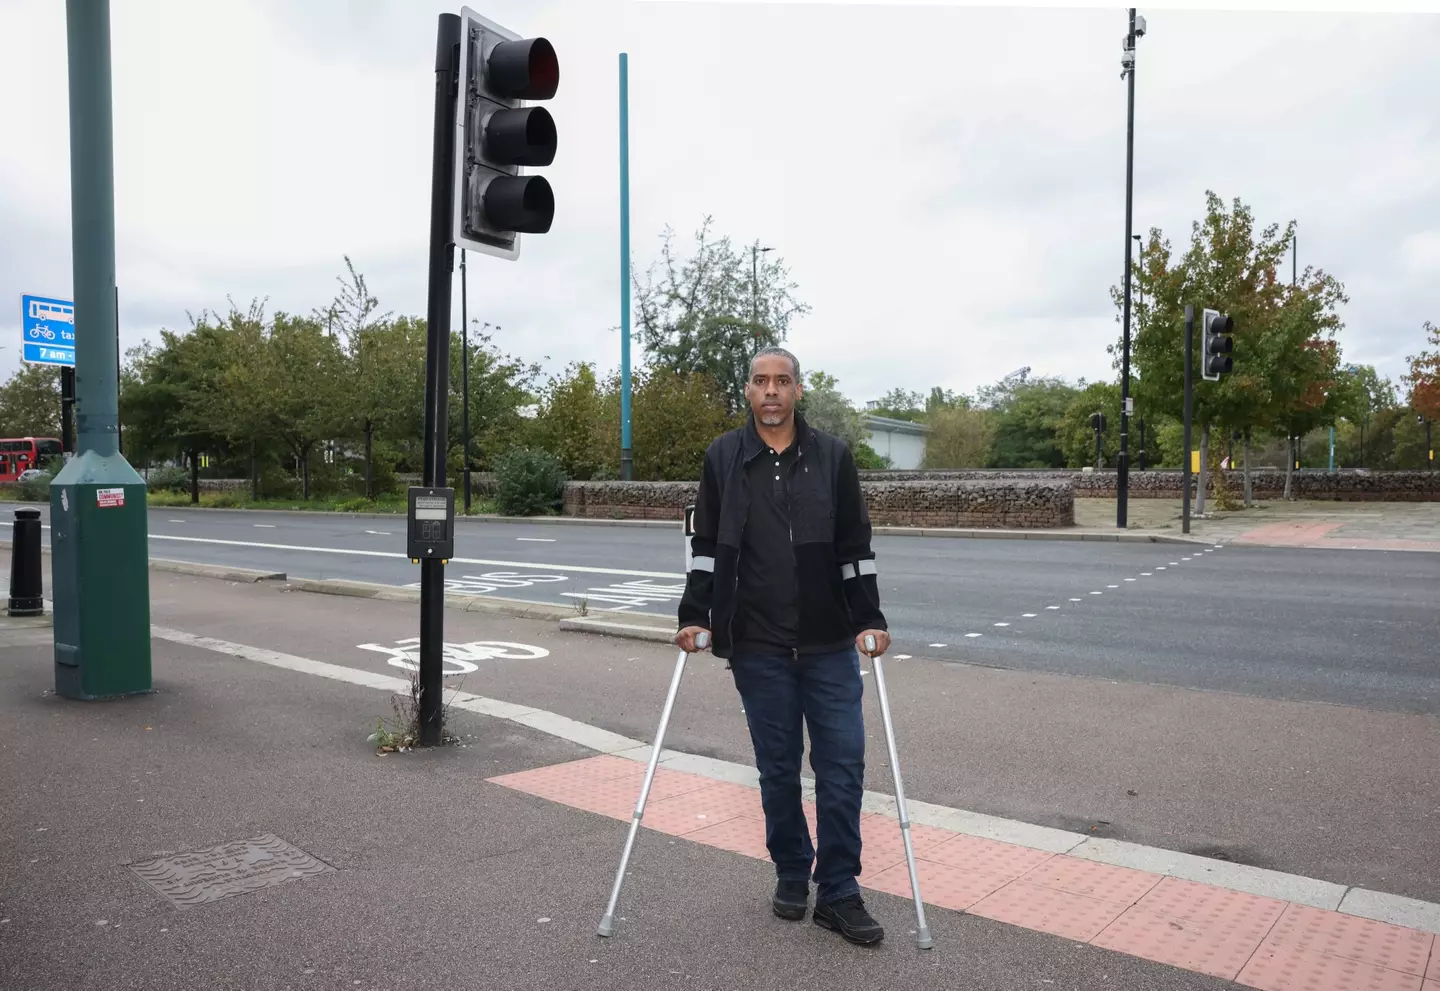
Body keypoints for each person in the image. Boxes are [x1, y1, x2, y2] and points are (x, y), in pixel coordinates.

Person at [676, 346, 891, 946]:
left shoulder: (833, 458)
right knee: (777, 770)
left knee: (842, 767)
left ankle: (840, 890)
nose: (771, 391)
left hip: (827, 644)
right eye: (761, 381)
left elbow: (855, 546)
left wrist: (868, 617)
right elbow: (708, 545)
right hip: (757, 645)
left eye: (783, 381)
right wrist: (696, 615)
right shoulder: (724, 457)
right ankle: (793, 870)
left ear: (798, 391)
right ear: (747, 391)